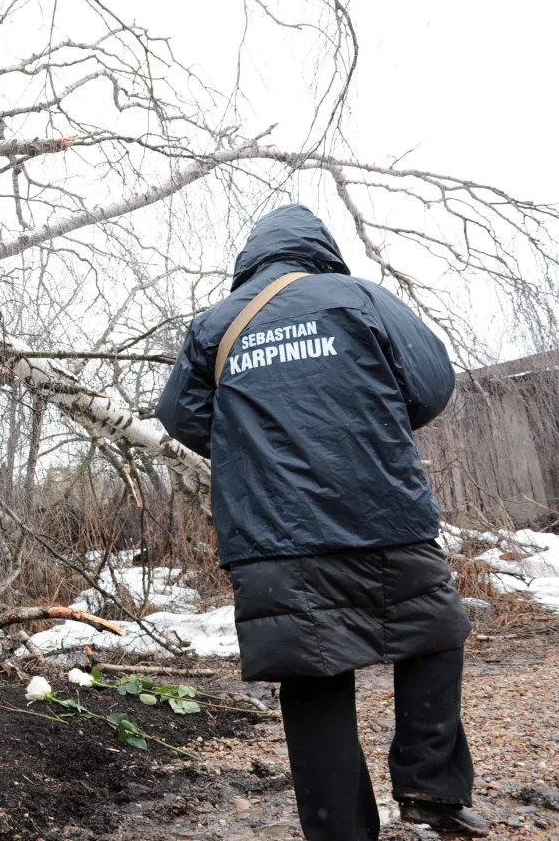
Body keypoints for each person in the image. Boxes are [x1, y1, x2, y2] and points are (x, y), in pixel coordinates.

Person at [155, 204, 488, 841]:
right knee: (436, 633)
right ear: (320, 248)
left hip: (272, 537)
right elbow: (431, 382)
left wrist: (254, 445)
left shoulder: (216, 324)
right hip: (381, 512)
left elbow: (181, 414)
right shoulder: (360, 298)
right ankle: (429, 787)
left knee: (313, 680)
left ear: (250, 258)